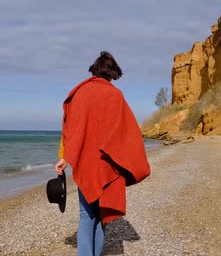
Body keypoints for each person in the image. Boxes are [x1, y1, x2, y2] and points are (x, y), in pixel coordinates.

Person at [55, 51, 150, 256]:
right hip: (108, 164)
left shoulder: (79, 94)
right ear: (111, 74)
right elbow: (127, 132)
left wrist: (65, 157)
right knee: (100, 215)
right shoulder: (114, 95)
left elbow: (71, 129)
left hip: (85, 162)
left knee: (86, 215)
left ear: (94, 71)